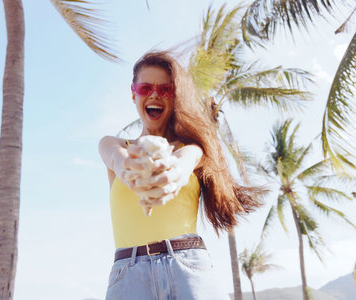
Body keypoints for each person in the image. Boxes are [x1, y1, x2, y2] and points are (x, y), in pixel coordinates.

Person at [99, 51, 259, 299]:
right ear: (133, 93)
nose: (154, 94)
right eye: (145, 87)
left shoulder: (191, 150)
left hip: (188, 266)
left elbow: (182, 167)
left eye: (165, 90)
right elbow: (116, 159)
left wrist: (170, 175)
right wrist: (129, 169)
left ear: (175, 98)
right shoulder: (114, 145)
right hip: (128, 274)